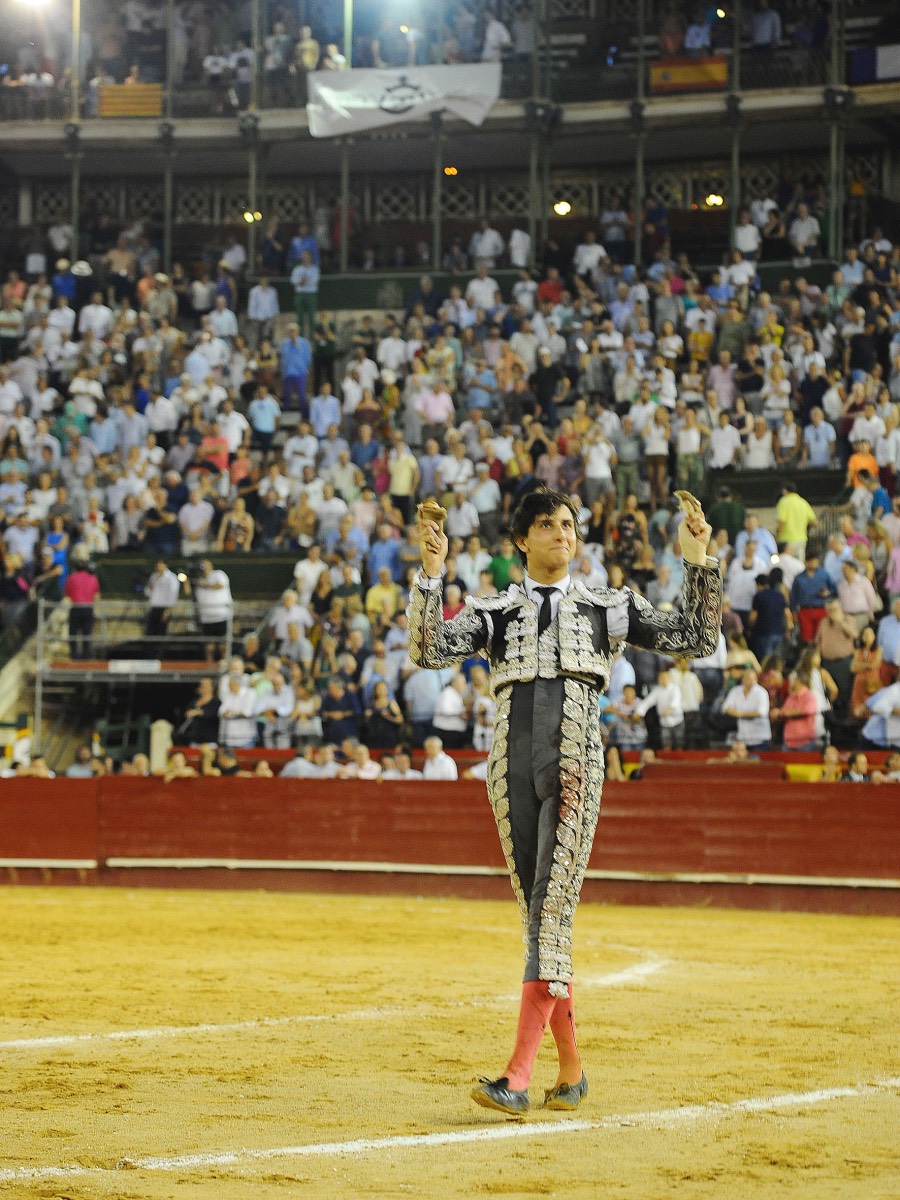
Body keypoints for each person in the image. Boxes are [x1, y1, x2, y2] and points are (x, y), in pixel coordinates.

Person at [409, 488, 721, 1115]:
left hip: (576, 764)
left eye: (569, 524)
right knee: (538, 918)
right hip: (508, 769)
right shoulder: (495, 609)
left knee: (549, 914)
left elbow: (697, 636)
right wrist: (433, 574)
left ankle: (518, 1077)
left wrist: (697, 560)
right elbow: (427, 650)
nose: (562, 533)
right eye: (547, 525)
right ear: (521, 540)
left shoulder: (609, 606)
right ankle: (572, 1074)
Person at [192, 559, 233, 661]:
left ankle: (224, 663)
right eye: (202, 565)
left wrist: (205, 584)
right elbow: (190, 594)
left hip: (221, 616)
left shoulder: (218, 574)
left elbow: (220, 585)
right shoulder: (198, 581)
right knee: (209, 646)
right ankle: (209, 665)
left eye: (205, 564)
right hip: (207, 618)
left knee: (222, 644)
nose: (204, 566)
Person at [63, 554, 100, 659]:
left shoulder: (71, 578)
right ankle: (85, 656)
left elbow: (67, 595)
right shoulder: (93, 578)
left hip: (76, 608)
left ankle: (74, 655)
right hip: (88, 608)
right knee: (87, 633)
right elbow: (96, 596)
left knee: (73, 633)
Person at [145, 557, 181, 639]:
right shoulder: (153, 576)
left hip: (164, 609)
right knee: (151, 632)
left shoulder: (172, 578)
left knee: (161, 633)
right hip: (154, 607)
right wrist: (150, 587)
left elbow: (173, 595)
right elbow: (147, 593)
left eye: (161, 564)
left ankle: (161, 651)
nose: (159, 567)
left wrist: (167, 611)